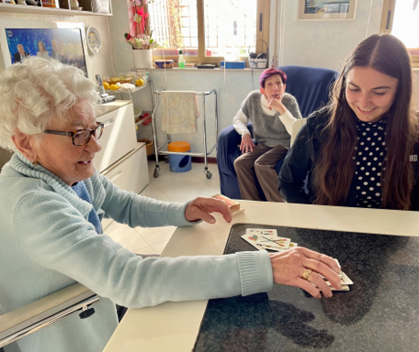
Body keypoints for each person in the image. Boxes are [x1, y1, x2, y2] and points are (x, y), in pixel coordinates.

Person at [0, 58, 341, 352]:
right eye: (78, 134)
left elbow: (122, 204)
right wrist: (266, 266)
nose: (94, 147)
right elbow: (129, 278)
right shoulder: (32, 205)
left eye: (94, 129)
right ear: (25, 143)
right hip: (67, 334)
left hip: (92, 298)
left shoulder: (63, 169)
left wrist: (183, 210)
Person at [278, 34, 419, 210]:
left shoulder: (415, 133)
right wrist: (312, 221)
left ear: (401, 91)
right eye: (354, 89)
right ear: (344, 83)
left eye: (380, 93)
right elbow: (287, 182)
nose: (363, 102)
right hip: (328, 231)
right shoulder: (319, 125)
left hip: (396, 233)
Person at [233, 67, 302, 202]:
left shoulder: (289, 101)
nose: (275, 88)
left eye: (278, 83)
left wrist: (281, 108)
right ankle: (253, 204)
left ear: (284, 87)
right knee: (240, 163)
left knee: (261, 164)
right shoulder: (253, 99)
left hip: (284, 144)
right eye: (269, 84)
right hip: (263, 143)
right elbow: (238, 119)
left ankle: (279, 206)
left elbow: (297, 131)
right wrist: (245, 134)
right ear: (262, 90)